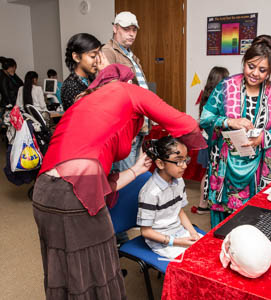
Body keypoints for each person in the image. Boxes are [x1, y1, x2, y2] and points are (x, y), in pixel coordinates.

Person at [32, 64, 205, 299]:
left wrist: (135, 170)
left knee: (62, 270)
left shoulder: (84, 102)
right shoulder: (128, 91)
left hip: (44, 191)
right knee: (98, 272)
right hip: (75, 195)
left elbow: (98, 182)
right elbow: (187, 124)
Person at [200, 35, 271, 227]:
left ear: (270, 72)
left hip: (260, 171)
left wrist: (264, 137)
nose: (255, 73)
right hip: (225, 169)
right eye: (251, 66)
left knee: (256, 224)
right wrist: (229, 121)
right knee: (224, 228)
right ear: (244, 62)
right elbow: (205, 119)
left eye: (262, 70)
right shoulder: (226, 86)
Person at [138, 136, 202, 259]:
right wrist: (177, 242)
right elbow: (146, 231)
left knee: (208, 249)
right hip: (161, 240)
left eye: (185, 160)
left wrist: (193, 233)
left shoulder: (179, 180)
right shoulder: (150, 193)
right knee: (194, 261)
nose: (184, 166)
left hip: (179, 232)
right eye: (178, 161)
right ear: (160, 163)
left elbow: (179, 210)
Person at [102, 11, 151, 171]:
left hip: (138, 123)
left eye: (134, 30)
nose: (131, 34)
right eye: (126, 29)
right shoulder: (108, 52)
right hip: (125, 125)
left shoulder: (130, 55)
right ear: (115, 28)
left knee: (135, 173)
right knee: (125, 177)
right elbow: (110, 90)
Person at [196, 66, 229, 215]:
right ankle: (203, 204)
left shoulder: (206, 96)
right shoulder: (216, 99)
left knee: (209, 172)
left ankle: (205, 203)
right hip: (211, 142)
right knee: (209, 172)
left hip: (206, 139)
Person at [61, 33, 105, 111]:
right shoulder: (70, 86)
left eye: (98, 56)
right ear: (76, 57)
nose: (97, 60)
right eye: (93, 56)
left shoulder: (91, 79)